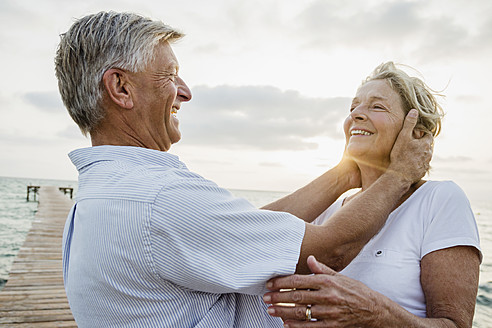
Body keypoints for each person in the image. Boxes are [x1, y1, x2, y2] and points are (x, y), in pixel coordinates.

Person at [55, 12, 432, 328]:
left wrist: (345, 176)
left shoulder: (104, 194)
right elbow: (331, 249)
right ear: (120, 88)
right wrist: (400, 173)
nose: (185, 92)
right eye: (169, 75)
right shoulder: (159, 199)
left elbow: (248, 232)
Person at [263, 62, 482, 328]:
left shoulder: (440, 199)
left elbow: (456, 324)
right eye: (353, 107)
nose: (356, 114)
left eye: (377, 106)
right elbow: (249, 238)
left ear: (416, 133)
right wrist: (342, 176)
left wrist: (377, 314)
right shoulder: (330, 210)